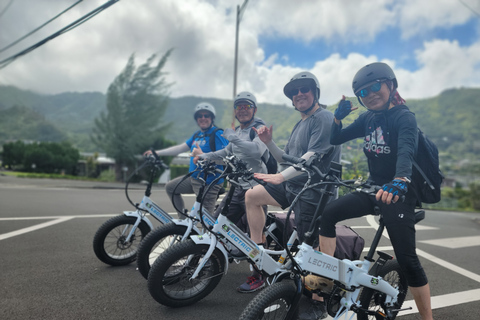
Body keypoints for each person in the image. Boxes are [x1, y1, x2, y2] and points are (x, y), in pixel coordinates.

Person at [318, 62, 433, 319]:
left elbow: (406, 150)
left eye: (375, 86)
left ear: (390, 85)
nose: (370, 94)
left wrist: (400, 179)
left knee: (407, 260)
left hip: (399, 193)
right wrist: (337, 117)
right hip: (373, 188)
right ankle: (326, 282)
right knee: (328, 214)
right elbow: (336, 138)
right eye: (363, 92)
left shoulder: (404, 116)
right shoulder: (368, 118)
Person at [238, 71, 341, 299]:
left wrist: (281, 177)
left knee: (311, 250)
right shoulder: (300, 123)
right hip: (293, 186)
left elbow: (312, 156)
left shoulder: (323, 118)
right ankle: (260, 253)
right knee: (252, 196)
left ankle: (318, 301)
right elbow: (286, 159)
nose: (299, 94)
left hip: (314, 193)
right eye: (294, 92)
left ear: (315, 92)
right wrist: (269, 143)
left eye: (304, 89)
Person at [192, 91, 268, 232]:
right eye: (239, 107)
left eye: (247, 106)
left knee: (257, 232)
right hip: (236, 188)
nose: (243, 110)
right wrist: (204, 157)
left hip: (256, 189)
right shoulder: (238, 131)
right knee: (216, 227)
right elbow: (225, 154)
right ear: (235, 111)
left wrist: (234, 138)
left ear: (254, 109)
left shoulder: (259, 129)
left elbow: (257, 151)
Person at [144, 102, 228, 215]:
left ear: (212, 118)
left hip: (209, 182)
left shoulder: (218, 134)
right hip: (194, 178)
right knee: (170, 188)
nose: (203, 118)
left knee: (206, 220)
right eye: (200, 116)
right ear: (196, 119)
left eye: (206, 115)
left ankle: (209, 231)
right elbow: (180, 148)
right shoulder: (197, 134)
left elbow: (226, 159)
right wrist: (156, 153)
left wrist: (203, 155)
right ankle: (182, 222)